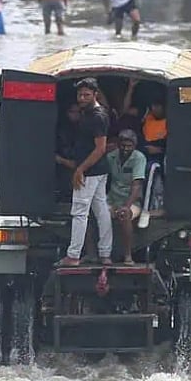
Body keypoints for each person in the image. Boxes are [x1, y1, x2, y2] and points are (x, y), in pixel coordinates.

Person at [57, 78, 113, 267]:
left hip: (90, 171)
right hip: (98, 170)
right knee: (101, 209)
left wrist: (80, 169)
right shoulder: (91, 113)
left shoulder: (97, 116)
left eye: (86, 95)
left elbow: (100, 148)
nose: (82, 98)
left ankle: (73, 255)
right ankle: (105, 253)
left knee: (80, 211)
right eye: (80, 95)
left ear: (95, 95)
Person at [106, 130, 147, 265]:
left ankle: (128, 255)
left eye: (129, 146)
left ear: (134, 146)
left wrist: (126, 206)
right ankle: (95, 254)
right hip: (112, 199)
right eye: (123, 146)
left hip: (132, 202)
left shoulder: (139, 158)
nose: (126, 149)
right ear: (118, 145)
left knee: (125, 215)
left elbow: (136, 186)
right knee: (93, 214)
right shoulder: (111, 157)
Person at [54, 103, 82, 202]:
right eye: (72, 112)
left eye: (78, 112)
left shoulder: (85, 129)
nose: (75, 115)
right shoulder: (61, 130)